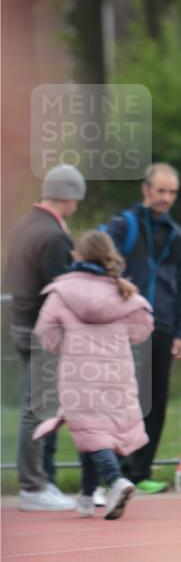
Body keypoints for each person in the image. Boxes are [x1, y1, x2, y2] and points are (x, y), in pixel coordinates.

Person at [33, 231, 154, 520]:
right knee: (98, 430)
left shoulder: (62, 292)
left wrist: (64, 346)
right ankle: (87, 496)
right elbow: (143, 328)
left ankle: (115, 481)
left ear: (79, 255)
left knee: (89, 429)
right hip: (117, 371)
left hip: (79, 372)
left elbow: (45, 331)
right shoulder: (123, 291)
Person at [5, 163, 87, 512]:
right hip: (44, 329)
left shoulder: (24, 225)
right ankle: (35, 485)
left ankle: (39, 482)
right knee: (38, 407)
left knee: (34, 405)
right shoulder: (54, 236)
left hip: (22, 322)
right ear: (68, 197)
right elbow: (62, 289)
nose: (77, 205)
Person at [104, 163, 181, 494]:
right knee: (122, 397)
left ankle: (141, 471)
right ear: (146, 190)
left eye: (172, 192)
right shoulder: (123, 226)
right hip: (124, 325)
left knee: (155, 399)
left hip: (163, 324)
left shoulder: (177, 235)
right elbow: (99, 260)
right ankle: (115, 470)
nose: (166, 198)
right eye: (161, 191)